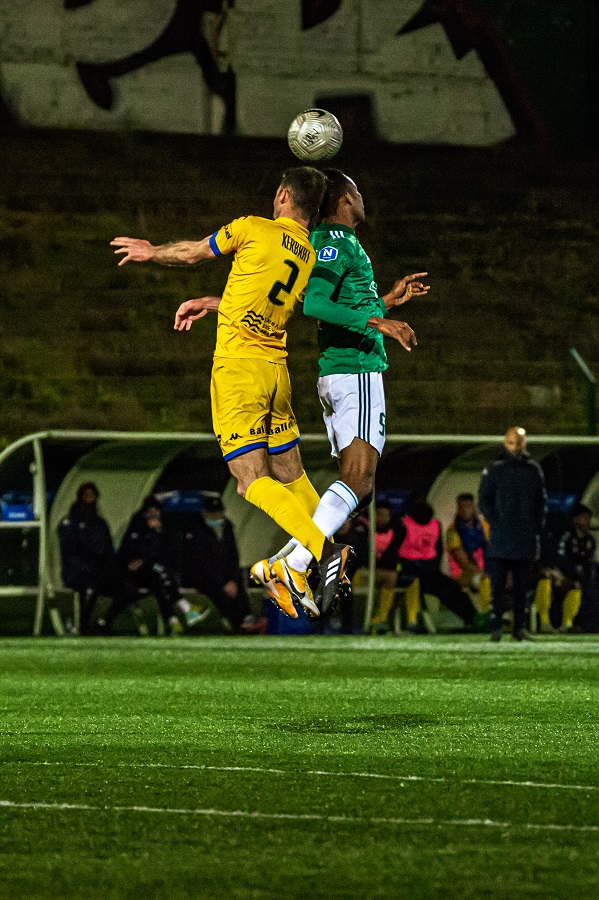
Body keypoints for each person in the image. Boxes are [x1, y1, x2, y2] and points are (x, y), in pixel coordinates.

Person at [178, 168, 429, 617]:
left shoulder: (319, 244)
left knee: (326, 482)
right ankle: (302, 560)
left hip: (301, 370)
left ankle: (287, 563)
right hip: (348, 368)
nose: (362, 197)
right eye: (357, 190)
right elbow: (313, 304)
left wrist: (387, 302)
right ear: (345, 199)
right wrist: (378, 321)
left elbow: (290, 298)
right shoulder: (332, 242)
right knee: (341, 480)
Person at [111, 167, 357, 620]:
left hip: (240, 369)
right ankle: (331, 549)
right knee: (291, 474)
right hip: (276, 371)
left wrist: (151, 251)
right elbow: (263, 296)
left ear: (284, 194)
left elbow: (192, 255)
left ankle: (324, 554)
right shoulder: (307, 252)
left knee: (248, 479)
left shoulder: (251, 228)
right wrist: (212, 302)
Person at [478, 426, 547, 642]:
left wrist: (535, 527)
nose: (515, 446)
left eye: (518, 442)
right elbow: (484, 500)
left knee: (522, 587)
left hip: (524, 538)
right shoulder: (494, 469)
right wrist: (496, 524)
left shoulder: (533, 470)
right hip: (500, 538)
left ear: (525, 443)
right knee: (497, 585)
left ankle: (520, 628)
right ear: (504, 443)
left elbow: (541, 502)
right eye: (510, 442)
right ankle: (496, 627)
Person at [106, 496, 203, 635]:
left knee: (160, 581)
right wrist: (151, 537)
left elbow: (166, 554)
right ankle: (185, 609)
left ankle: (173, 620)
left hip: (154, 572)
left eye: (155, 511)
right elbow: (132, 553)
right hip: (137, 574)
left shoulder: (165, 528)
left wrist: (157, 534)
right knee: (161, 576)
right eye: (149, 512)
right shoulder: (136, 527)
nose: (153, 515)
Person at [180, 494, 267, 634]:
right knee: (219, 591)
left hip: (225, 576)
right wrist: (222, 583)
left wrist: (231, 579)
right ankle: (238, 622)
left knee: (238, 582)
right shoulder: (194, 530)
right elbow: (200, 562)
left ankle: (246, 617)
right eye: (212, 513)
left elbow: (233, 555)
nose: (216, 516)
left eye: (218, 512)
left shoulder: (227, 527)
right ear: (205, 512)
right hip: (203, 577)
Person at [395, 497, 476, 630]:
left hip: (429, 571)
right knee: (444, 588)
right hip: (409, 571)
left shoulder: (434, 525)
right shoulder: (404, 525)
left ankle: (472, 617)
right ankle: (470, 617)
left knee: (452, 587)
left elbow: (438, 550)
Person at [57, 482, 125, 634]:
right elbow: (69, 554)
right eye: (86, 495)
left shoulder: (100, 524)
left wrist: (113, 570)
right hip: (78, 573)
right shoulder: (69, 523)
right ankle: (85, 625)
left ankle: (104, 622)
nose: (89, 499)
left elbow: (108, 551)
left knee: (126, 588)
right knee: (89, 588)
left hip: (99, 572)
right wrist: (88, 569)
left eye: (92, 495)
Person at [534, 503, 596, 634]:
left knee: (578, 587)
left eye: (588, 518)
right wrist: (558, 575)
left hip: (574, 581)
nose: (588, 521)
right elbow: (558, 562)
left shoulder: (590, 541)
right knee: (545, 578)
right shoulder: (565, 537)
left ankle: (567, 624)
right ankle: (545, 623)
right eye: (584, 517)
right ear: (575, 520)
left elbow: (588, 567)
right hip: (558, 576)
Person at [367, 500, 422, 635]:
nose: (382, 518)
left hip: (388, 570)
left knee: (409, 579)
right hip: (366, 570)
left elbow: (395, 554)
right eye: (379, 514)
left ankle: (384, 619)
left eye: (386, 515)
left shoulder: (398, 530)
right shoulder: (365, 529)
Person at [446, 492, 491, 627]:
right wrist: (482, 571)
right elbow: (462, 562)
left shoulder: (484, 527)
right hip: (462, 574)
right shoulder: (453, 530)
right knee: (484, 579)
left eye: (468, 506)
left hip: (485, 569)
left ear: (474, 507)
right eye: (461, 507)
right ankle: (488, 615)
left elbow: (492, 550)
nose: (465, 510)